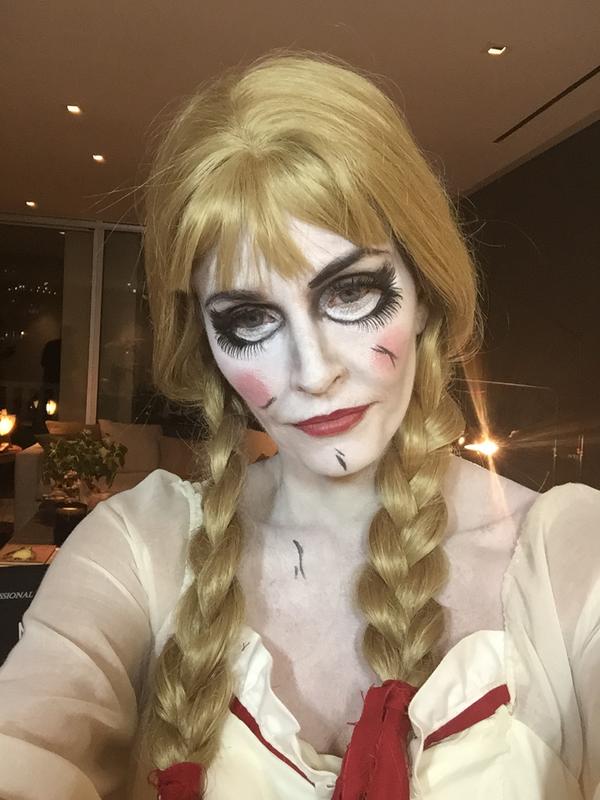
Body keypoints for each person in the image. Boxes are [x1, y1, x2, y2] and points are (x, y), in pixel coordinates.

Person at [0, 53, 599, 800]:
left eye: (351, 292)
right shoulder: (136, 548)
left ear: (425, 295)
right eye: (249, 318)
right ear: (208, 345)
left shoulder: (571, 556)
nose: (313, 372)